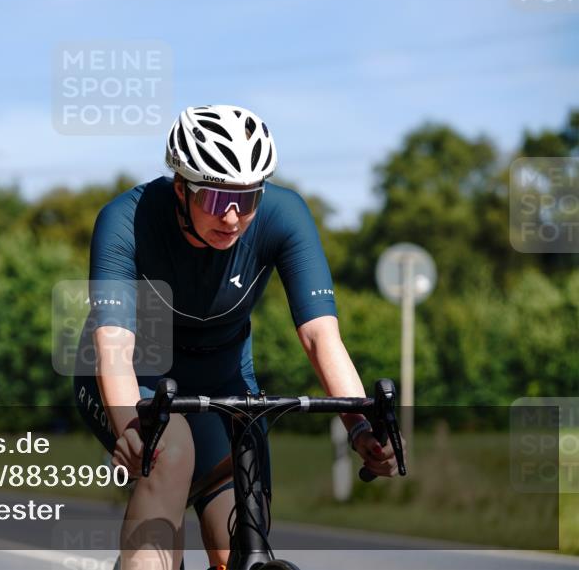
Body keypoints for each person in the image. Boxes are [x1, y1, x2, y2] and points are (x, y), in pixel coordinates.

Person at [73, 105, 401, 570]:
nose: (231, 217)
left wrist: (360, 425)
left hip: (225, 382)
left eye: (247, 200)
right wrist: (129, 425)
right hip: (132, 374)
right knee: (169, 451)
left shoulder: (285, 214)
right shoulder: (126, 221)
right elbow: (113, 345)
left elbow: (320, 338)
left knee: (239, 548)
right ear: (181, 188)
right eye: (214, 200)